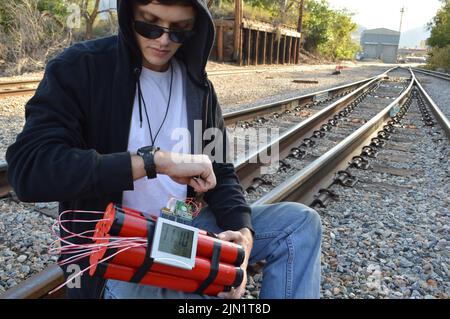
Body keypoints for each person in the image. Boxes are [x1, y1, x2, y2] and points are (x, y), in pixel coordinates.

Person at [5, 0, 322, 299]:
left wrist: (243, 233)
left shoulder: (197, 86)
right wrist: (153, 162)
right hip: (117, 247)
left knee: (299, 225)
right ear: (130, 15)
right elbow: (31, 169)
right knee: (178, 290)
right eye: (151, 25)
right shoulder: (80, 69)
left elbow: (221, 172)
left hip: (181, 235)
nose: (164, 40)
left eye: (180, 29)